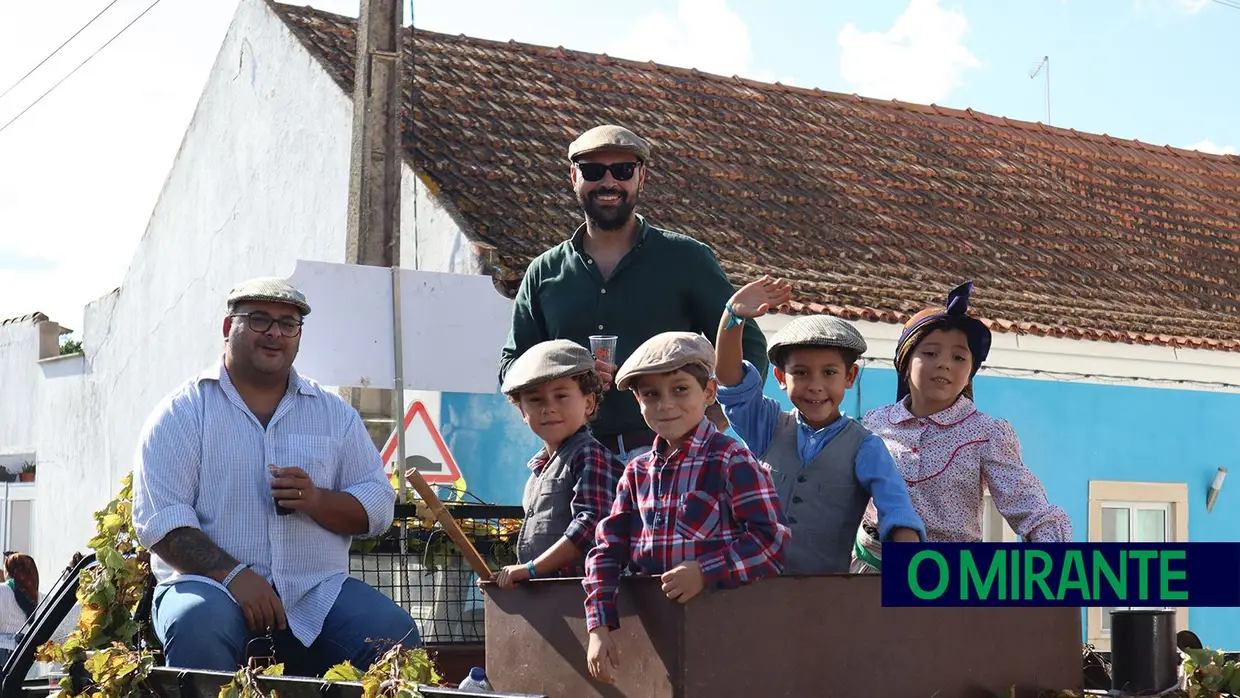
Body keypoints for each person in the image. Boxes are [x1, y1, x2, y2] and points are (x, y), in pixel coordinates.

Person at [131, 277, 419, 676]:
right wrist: (234, 576)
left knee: (395, 633)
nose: (275, 333)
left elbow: (378, 507)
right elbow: (161, 523)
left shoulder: (334, 414)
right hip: (209, 588)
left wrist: (318, 501)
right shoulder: (181, 413)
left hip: (316, 590)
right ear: (228, 327)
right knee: (197, 622)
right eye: (259, 319)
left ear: (299, 335)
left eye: (288, 324)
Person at [499, 124, 770, 463]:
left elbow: (749, 347)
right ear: (573, 177)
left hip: (666, 456)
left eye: (623, 170)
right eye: (593, 171)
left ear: (641, 178)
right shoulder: (544, 270)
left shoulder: (686, 259)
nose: (608, 182)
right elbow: (512, 368)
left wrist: (711, 421)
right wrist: (563, 375)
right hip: (570, 458)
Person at [583, 332, 790, 684]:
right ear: (637, 400)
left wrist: (705, 571)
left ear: (709, 392)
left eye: (680, 389)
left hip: (722, 633)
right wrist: (600, 625)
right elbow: (607, 550)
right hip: (650, 636)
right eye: (651, 394)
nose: (665, 404)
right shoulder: (636, 472)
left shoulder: (731, 460)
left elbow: (772, 541)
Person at [850, 281, 1073, 574]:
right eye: (930, 353)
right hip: (869, 573)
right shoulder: (873, 424)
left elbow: (1028, 506)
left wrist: (1054, 564)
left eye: (959, 357)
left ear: (970, 372)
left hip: (948, 581)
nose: (944, 364)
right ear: (905, 362)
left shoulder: (987, 434)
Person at [714, 276, 925, 574]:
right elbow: (730, 382)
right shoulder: (767, 427)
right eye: (800, 373)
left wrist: (909, 562)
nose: (815, 386)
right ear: (780, 378)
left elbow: (896, 507)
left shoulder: (865, 446)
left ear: (850, 377)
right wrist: (732, 317)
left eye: (829, 373)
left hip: (825, 600)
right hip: (754, 590)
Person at [492, 339, 622, 587]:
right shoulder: (538, 471)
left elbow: (590, 527)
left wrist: (529, 569)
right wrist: (514, 576)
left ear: (589, 403)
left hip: (585, 597)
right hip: (551, 599)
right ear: (522, 411)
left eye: (561, 396)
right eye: (535, 400)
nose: (548, 408)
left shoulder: (589, 456)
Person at [0, 553, 40, 665]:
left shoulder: (2, 592)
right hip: (29, 668)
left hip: (4, 663)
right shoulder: (44, 599)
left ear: (8, 572)